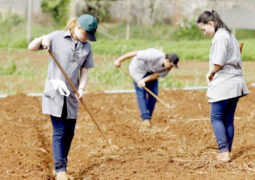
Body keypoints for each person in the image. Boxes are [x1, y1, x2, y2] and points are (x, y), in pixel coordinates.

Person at [28, 14, 98, 179]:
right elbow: (31, 47)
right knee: (59, 131)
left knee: (70, 132)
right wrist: (42, 39)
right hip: (55, 93)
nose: (87, 38)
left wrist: (81, 88)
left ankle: (59, 166)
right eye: (86, 34)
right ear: (78, 27)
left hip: (72, 95)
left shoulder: (86, 47)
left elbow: (85, 70)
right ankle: (61, 170)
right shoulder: (57, 37)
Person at [197, 10, 249, 162]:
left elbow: (218, 62)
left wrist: (210, 72)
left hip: (225, 83)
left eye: (203, 29)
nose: (204, 33)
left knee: (216, 117)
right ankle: (228, 151)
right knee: (228, 119)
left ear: (210, 24)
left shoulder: (220, 37)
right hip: (236, 82)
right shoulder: (229, 34)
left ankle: (223, 152)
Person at [114, 48, 179, 127]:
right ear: (167, 60)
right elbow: (135, 53)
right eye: (171, 65)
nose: (171, 68)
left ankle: (148, 119)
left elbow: (156, 75)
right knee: (141, 94)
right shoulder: (153, 55)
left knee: (154, 95)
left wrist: (144, 80)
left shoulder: (167, 68)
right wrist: (119, 60)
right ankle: (145, 119)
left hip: (151, 73)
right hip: (138, 70)